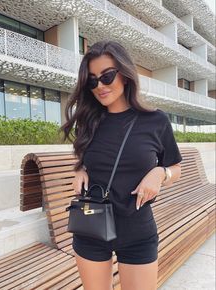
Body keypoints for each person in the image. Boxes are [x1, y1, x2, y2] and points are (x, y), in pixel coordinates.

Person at [62, 40, 182, 290]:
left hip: (137, 231)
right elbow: (86, 158)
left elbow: (176, 168)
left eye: (107, 76)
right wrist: (79, 169)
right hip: (91, 227)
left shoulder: (155, 120)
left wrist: (160, 173)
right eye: (92, 80)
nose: (100, 86)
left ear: (125, 75)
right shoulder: (89, 120)